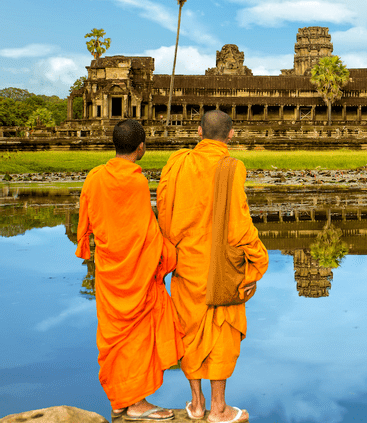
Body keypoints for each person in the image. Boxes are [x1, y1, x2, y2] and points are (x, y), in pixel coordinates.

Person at [157, 110, 269, 423]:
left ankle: (196, 404)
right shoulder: (231, 167)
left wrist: (172, 250)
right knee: (221, 330)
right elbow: (239, 224)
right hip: (221, 267)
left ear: (198, 131)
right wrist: (257, 263)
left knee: (189, 330)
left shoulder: (177, 163)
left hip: (186, 262)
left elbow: (164, 211)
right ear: (230, 135)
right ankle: (218, 408)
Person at [75, 119, 183, 421]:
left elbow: (89, 220)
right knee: (136, 336)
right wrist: (170, 253)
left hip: (109, 270)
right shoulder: (135, 181)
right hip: (135, 273)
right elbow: (145, 232)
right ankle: (135, 403)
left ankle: (120, 400)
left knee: (115, 336)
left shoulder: (95, 177)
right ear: (141, 147)